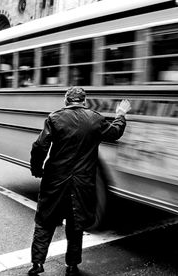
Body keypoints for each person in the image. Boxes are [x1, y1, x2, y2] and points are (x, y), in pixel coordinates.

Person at [28, 87, 131, 276]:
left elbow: (40, 146)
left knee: (45, 221)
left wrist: (37, 169)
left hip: (55, 181)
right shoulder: (96, 119)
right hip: (82, 183)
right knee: (76, 224)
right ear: (84, 101)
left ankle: (37, 263)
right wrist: (120, 114)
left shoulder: (54, 118)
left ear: (66, 101)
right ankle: (72, 265)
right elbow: (115, 132)